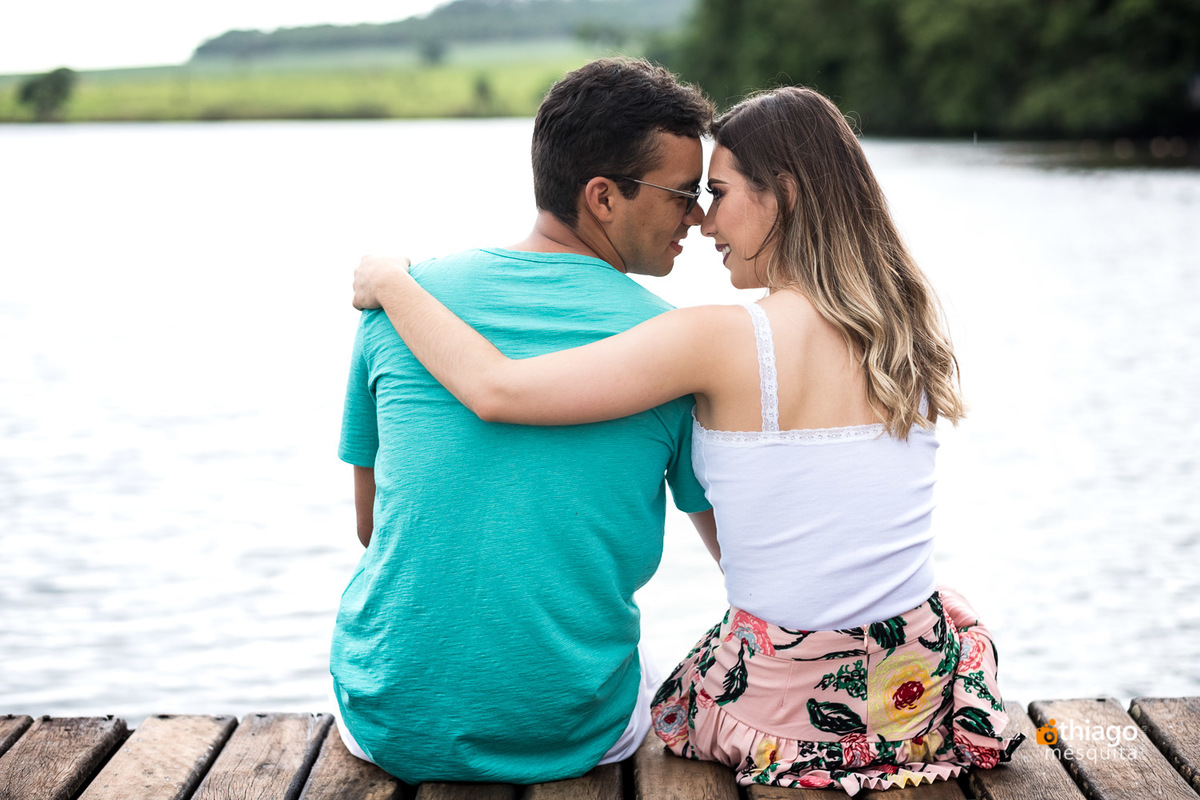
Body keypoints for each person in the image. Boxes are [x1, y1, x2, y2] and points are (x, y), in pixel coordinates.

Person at [351, 86, 1025, 793]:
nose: (704, 220)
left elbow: (496, 391)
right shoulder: (906, 327)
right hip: (910, 696)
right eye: (692, 194)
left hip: (787, 719)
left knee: (674, 675)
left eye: (720, 191)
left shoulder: (715, 340)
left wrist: (393, 285)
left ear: (783, 197)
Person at [333, 58, 716, 784]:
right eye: (683, 194)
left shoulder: (398, 309)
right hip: (572, 735)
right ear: (603, 197)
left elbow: (370, 528)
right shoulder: (680, 349)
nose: (696, 217)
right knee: (657, 665)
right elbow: (740, 557)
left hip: (383, 719)